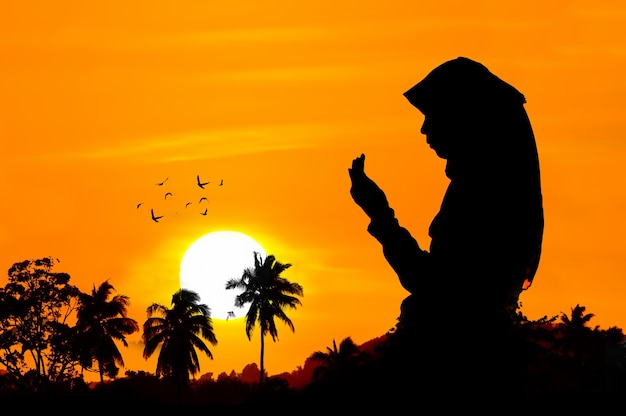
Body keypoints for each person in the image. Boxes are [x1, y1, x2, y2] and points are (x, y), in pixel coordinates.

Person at [348, 57, 544, 395]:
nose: (424, 129)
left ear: (465, 117)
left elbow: (434, 285)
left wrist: (380, 215)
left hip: (450, 368)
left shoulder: (482, 196)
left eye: (432, 115)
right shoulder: (492, 190)